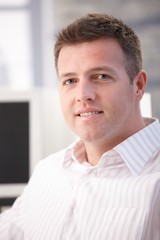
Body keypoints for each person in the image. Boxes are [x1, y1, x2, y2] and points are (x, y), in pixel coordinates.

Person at [0, 13, 160, 240]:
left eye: (102, 76)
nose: (83, 95)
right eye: (70, 81)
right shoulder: (49, 171)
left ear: (138, 86)